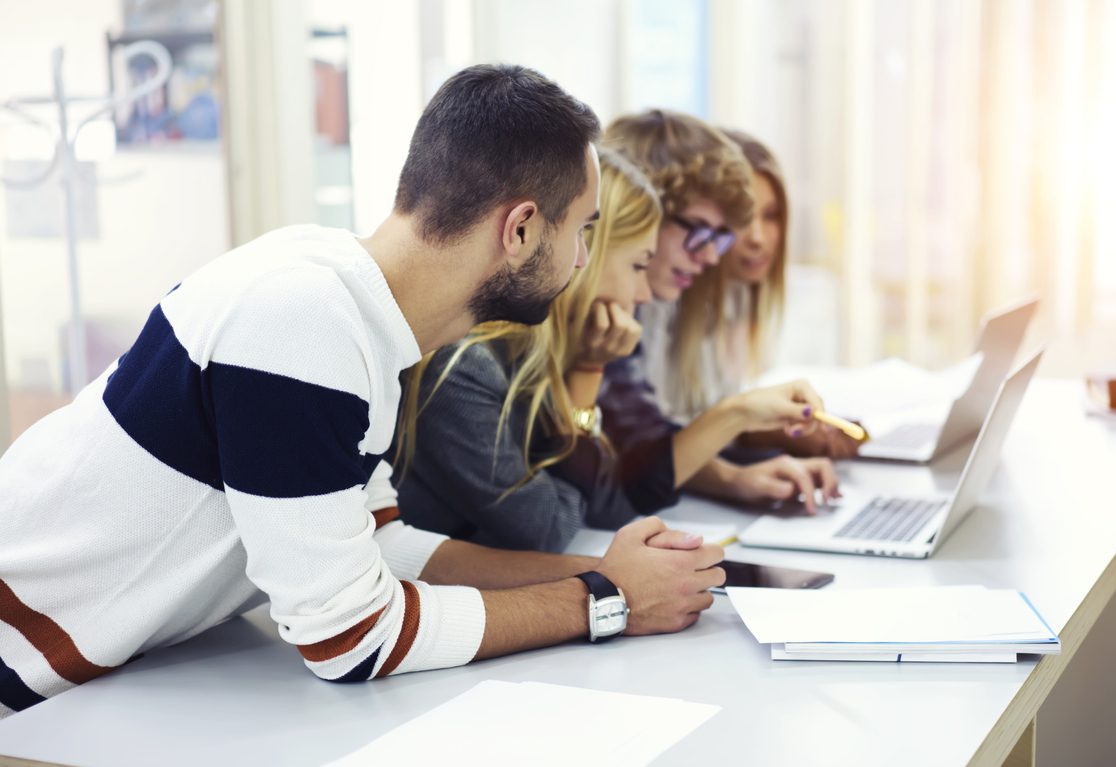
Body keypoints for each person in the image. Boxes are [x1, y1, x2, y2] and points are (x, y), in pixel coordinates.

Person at [0, 65, 726, 725]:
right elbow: (349, 639)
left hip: (80, 701)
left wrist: (609, 572)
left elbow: (384, 544)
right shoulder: (301, 320)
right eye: (583, 231)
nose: (579, 259)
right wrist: (608, 603)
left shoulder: (349, 309)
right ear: (522, 228)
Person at [394, 150, 829, 553]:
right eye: (639, 265)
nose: (644, 292)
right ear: (589, 256)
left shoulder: (553, 354)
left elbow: (604, 506)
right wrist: (587, 383)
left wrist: (587, 368)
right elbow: (551, 527)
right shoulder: (467, 366)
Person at [600, 110, 840, 512]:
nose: (712, 254)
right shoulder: (638, 307)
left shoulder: (662, 290)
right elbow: (626, 479)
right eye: (701, 229)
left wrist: (758, 438)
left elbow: (646, 448)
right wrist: (740, 427)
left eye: (772, 216)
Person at [641, 128, 863, 459]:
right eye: (744, 220)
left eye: (771, 215)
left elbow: (702, 419)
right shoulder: (660, 296)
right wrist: (737, 470)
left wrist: (767, 432)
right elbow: (647, 447)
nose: (758, 237)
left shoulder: (738, 293)